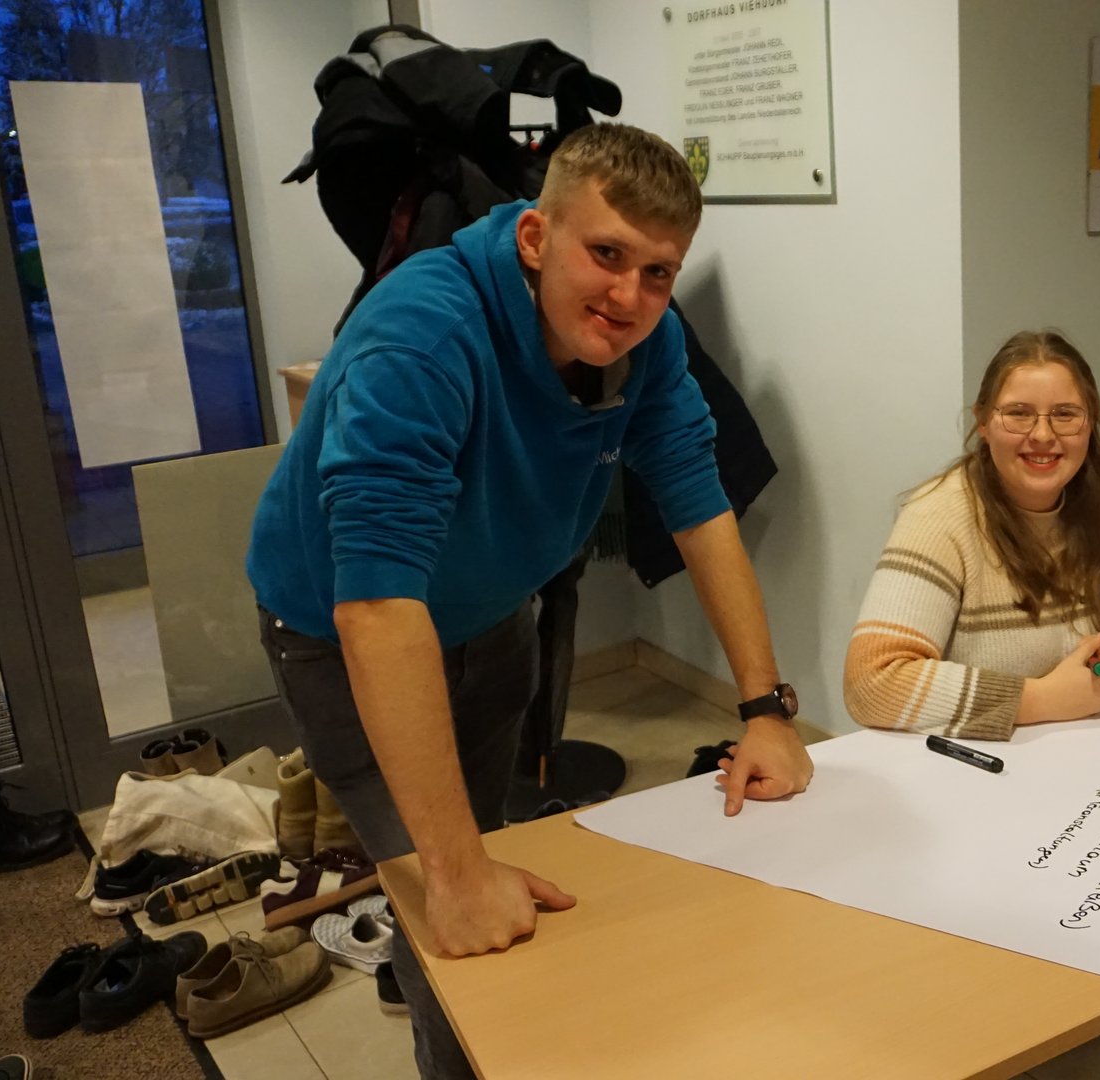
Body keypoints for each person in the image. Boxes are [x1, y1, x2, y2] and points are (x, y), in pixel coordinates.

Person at [245, 123, 814, 1079]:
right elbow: (375, 607)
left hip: (491, 618)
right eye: (607, 255)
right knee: (448, 898)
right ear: (536, 238)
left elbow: (698, 504)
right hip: (344, 641)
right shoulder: (422, 336)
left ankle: (445, 969)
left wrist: (764, 710)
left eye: (658, 273)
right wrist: (453, 874)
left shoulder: (647, 342)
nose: (629, 297)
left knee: (483, 852)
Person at [845, 330, 1100, 737]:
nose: (1043, 436)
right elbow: (872, 683)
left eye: (1065, 414)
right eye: (1018, 413)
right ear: (983, 422)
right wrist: (1041, 699)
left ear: (1090, 423)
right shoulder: (938, 515)